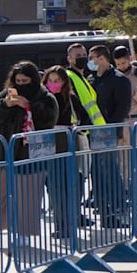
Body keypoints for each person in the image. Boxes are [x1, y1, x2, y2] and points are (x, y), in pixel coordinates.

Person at [0, 62, 58, 239]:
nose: (20, 84)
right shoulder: (7, 94)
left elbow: (49, 119)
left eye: (24, 80)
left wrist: (29, 106)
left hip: (29, 155)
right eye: (17, 80)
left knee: (27, 196)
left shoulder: (45, 97)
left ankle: (24, 233)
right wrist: (6, 105)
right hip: (4, 153)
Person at [87, 45, 132, 227]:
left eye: (92, 57)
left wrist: (109, 128)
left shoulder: (119, 80)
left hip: (108, 133)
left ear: (102, 58)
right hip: (92, 133)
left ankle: (118, 204)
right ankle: (100, 202)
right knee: (96, 170)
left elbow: (123, 107)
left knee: (110, 169)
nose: (90, 61)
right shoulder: (91, 79)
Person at [41, 65, 81, 237]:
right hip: (48, 142)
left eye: (57, 80)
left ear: (64, 81)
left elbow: (85, 116)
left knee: (67, 184)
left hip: (65, 141)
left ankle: (69, 224)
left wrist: (76, 129)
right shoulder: (42, 98)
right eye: (50, 80)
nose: (53, 83)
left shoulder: (70, 98)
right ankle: (60, 224)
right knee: (53, 186)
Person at [64, 43, 107, 126]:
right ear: (69, 59)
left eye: (84, 55)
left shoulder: (82, 78)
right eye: (78, 55)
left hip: (92, 129)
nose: (82, 57)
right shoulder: (68, 77)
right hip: (82, 130)